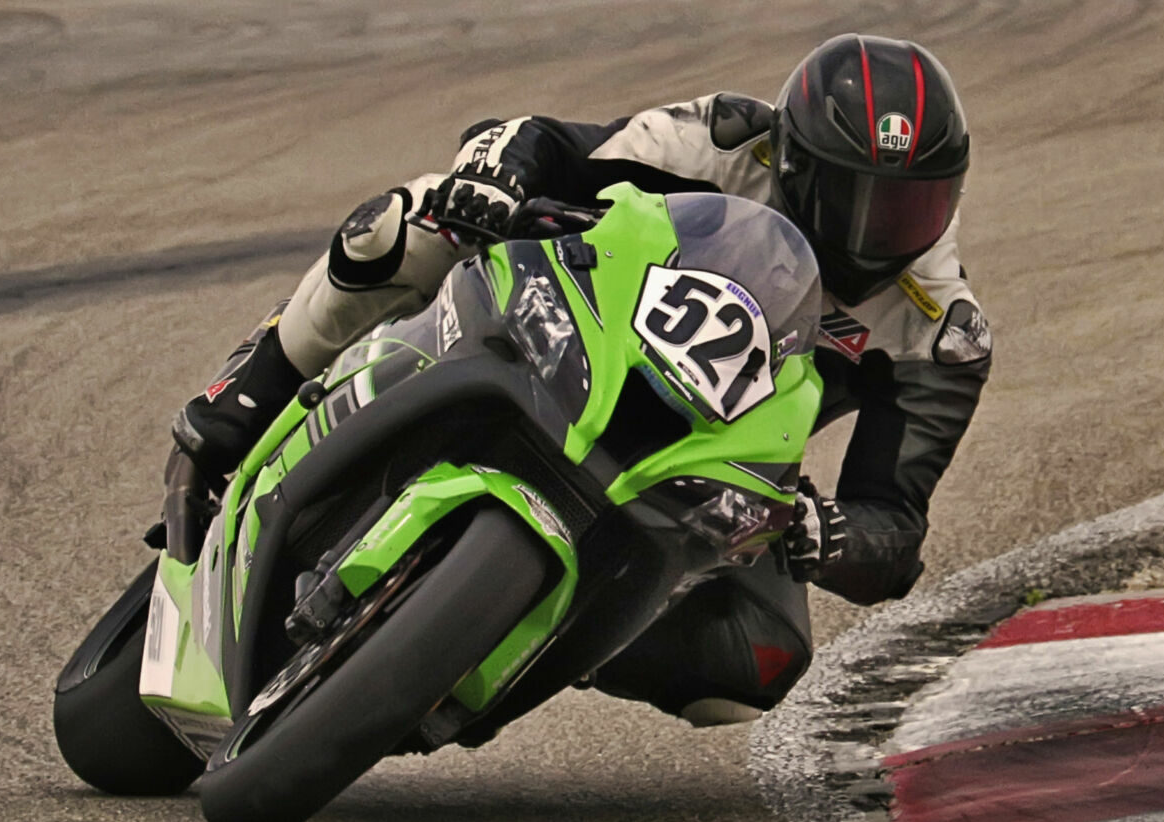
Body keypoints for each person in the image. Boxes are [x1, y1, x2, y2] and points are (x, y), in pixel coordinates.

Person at [165, 33, 993, 730]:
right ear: (795, 159)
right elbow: (551, 143)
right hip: (580, 331)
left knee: (755, 666)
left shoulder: (938, 326)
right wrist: (497, 178)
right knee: (404, 224)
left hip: (717, 465)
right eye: (854, 197)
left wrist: (827, 531)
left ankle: (539, 639)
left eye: (906, 210)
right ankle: (248, 391)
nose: (873, 232)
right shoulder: (726, 142)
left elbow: (895, 528)